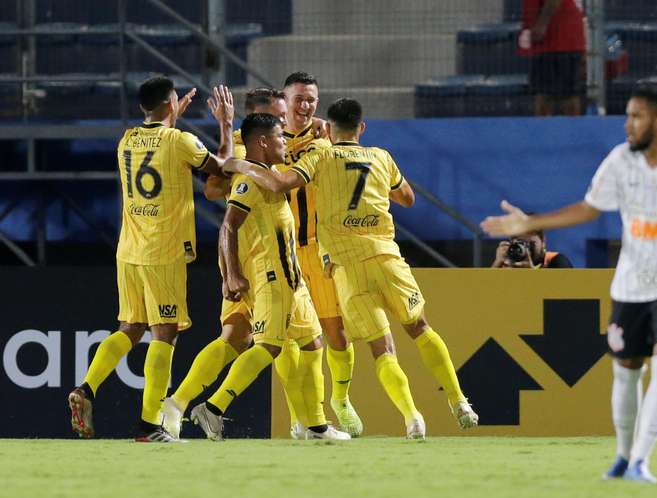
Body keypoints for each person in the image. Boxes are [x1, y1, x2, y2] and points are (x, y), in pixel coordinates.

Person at [481, 83, 657, 482]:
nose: (627, 124)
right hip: (632, 283)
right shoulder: (620, 161)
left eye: (636, 116)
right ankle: (624, 457)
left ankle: (642, 460)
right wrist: (531, 224)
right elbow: (588, 209)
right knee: (627, 370)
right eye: (627, 115)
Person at [224, 98, 479, 439]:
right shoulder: (381, 156)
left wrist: (240, 165)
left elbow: (279, 183)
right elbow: (407, 198)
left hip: (346, 265)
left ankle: (412, 417)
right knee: (420, 328)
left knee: (382, 348)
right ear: (362, 128)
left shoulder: (321, 156)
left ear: (328, 129)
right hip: (387, 258)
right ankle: (459, 400)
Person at [67, 78, 237, 442]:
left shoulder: (126, 139)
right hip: (163, 251)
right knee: (165, 333)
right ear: (170, 104)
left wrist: (172, 117)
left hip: (128, 249)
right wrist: (226, 124)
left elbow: (159, 149)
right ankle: (149, 425)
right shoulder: (180, 141)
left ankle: (86, 389)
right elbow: (223, 168)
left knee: (131, 327)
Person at [187, 113, 350, 442]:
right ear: (262, 142)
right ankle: (213, 407)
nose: (285, 142)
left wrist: (238, 163)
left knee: (313, 343)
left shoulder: (267, 173)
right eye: (279, 137)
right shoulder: (251, 182)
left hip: (294, 278)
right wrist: (231, 274)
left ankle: (315, 425)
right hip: (273, 276)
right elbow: (229, 226)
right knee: (269, 348)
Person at [161, 87, 311, 440]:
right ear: (257, 116)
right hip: (252, 261)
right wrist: (229, 137)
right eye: (277, 115)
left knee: (244, 338)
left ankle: (178, 405)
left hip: (261, 258)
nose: (283, 121)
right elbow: (214, 188)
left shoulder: (269, 143)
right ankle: (302, 420)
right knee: (274, 341)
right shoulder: (248, 147)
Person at [278, 72, 364, 437]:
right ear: (284, 100)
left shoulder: (326, 137)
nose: (305, 105)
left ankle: (340, 399)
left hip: (318, 247)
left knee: (335, 332)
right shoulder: (267, 138)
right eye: (298, 98)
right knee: (288, 337)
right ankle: (300, 418)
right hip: (281, 250)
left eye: (311, 98)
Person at [518, 0, 587, 116]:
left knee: (556, 96)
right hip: (556, 39)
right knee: (552, 95)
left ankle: (569, 131)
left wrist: (541, 24)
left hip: (557, 38)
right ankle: (569, 130)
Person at [491, 229, 573, 268]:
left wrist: (530, 274)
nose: (526, 249)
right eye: (520, 243)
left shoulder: (556, 261)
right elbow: (485, 292)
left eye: (531, 244)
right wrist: (497, 263)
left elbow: (568, 295)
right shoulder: (508, 263)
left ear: (543, 242)